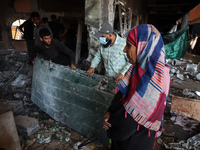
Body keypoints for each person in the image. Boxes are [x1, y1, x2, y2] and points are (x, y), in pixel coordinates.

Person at [103, 24, 170, 150]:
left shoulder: (153, 79)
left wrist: (110, 127)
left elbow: (128, 122)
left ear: (143, 47)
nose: (124, 50)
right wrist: (110, 111)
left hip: (134, 141)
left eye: (129, 45)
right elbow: (122, 94)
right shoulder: (138, 68)